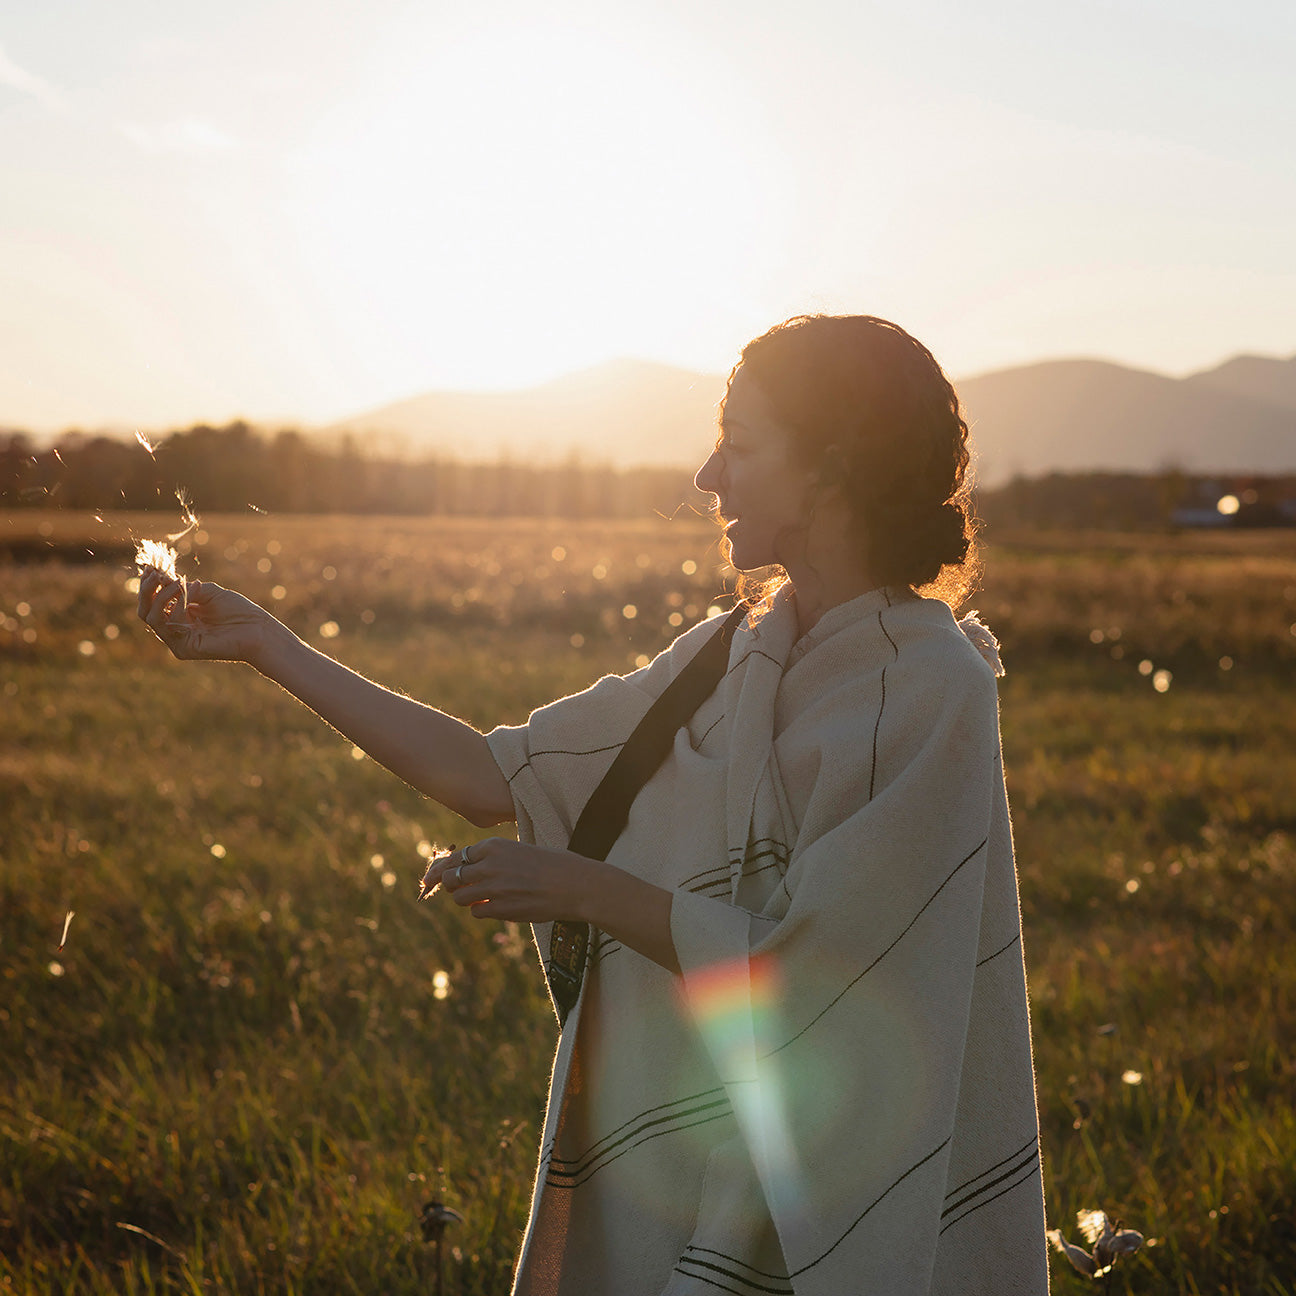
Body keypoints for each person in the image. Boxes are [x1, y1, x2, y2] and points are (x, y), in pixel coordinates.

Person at [138, 314, 1049, 1294]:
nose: (708, 476)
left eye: (740, 446)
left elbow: (840, 992)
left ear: (830, 466)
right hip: (691, 1165)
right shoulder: (722, 658)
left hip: (847, 1197)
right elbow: (492, 776)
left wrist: (582, 888)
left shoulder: (931, 688)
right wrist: (270, 646)